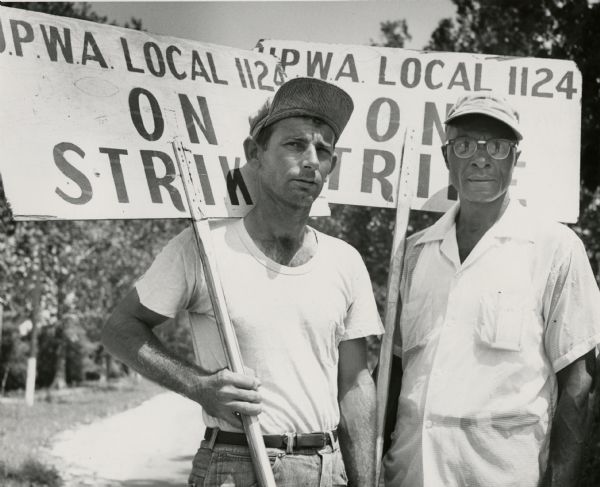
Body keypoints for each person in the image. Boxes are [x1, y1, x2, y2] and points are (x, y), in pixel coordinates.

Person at [102, 77, 383, 487]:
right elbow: (119, 329)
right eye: (294, 144)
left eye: (323, 150)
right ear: (255, 153)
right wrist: (199, 386)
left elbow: (355, 384)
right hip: (234, 462)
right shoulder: (204, 247)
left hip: (326, 467)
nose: (310, 161)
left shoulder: (346, 261)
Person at [382, 93, 600, 487]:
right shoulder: (414, 253)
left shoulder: (555, 248)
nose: (480, 158)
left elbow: (579, 383)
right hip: (411, 472)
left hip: (502, 475)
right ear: (447, 157)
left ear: (515, 158)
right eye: (465, 145)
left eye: (497, 146)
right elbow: (395, 372)